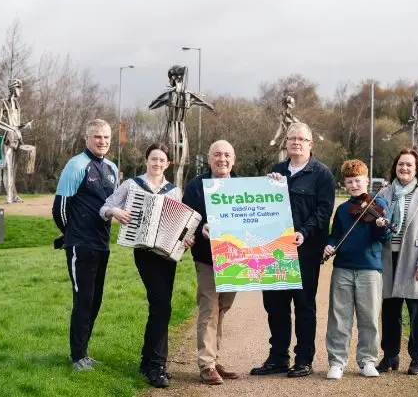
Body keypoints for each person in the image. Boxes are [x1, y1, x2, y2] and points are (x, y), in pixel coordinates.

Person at [100, 143, 193, 388]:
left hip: (166, 254)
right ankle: (156, 366)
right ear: (146, 160)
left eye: (162, 160)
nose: (157, 163)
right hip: (143, 252)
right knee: (162, 306)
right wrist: (115, 212)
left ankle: (147, 361)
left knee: (161, 307)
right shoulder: (132, 185)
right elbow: (104, 207)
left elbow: (181, 226)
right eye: (154, 159)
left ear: (168, 164)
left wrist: (186, 239)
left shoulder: (174, 191)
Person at [251, 122, 336, 378]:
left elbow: (324, 211)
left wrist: (304, 232)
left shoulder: (322, 174)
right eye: (292, 138)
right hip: (275, 251)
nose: (296, 142)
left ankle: (304, 360)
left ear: (310, 144)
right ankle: (278, 358)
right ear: (286, 143)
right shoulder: (276, 171)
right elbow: (264, 207)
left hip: (306, 251)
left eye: (301, 139)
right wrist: (268, 186)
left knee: (304, 305)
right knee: (275, 305)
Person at [52, 119, 118, 372]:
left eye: (106, 137)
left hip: (102, 244)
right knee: (83, 299)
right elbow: (60, 208)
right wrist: (70, 235)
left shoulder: (112, 168)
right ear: (87, 138)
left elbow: (112, 204)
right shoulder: (76, 165)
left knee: (95, 300)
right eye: (97, 136)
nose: (102, 141)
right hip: (81, 244)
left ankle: (84, 353)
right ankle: (77, 356)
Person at [322, 159, 392, 380]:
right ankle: (337, 362)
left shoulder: (379, 204)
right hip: (343, 267)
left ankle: (367, 361)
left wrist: (381, 227)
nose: (354, 185)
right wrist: (330, 245)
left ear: (366, 181)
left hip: (369, 269)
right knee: (339, 317)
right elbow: (335, 235)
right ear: (345, 184)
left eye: (358, 181)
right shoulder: (343, 210)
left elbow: (385, 237)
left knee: (369, 318)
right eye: (350, 182)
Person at [376, 148, 418, 375]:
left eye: (409, 165)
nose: (404, 168)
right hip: (388, 258)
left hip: (414, 260)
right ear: (395, 167)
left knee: (417, 312)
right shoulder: (384, 193)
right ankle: (390, 356)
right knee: (390, 312)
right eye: (400, 164)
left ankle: (417, 358)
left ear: (417, 168)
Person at [182, 140, 240, 385]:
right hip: (206, 258)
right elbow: (185, 218)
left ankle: (213, 359)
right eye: (217, 154)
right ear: (208, 158)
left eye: (226, 155)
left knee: (222, 307)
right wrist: (200, 227)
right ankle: (206, 364)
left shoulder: (243, 186)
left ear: (233, 159)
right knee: (209, 307)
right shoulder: (196, 186)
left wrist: (275, 182)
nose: (222, 159)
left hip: (236, 260)